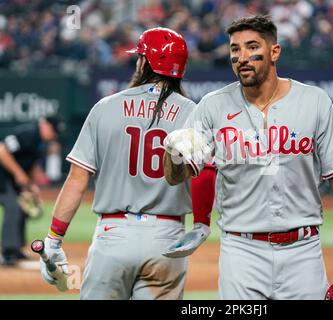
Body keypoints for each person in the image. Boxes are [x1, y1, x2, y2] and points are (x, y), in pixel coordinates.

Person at [163, 15, 333, 300]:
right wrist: (174, 153)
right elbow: (176, 177)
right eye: (235, 49)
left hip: (303, 251)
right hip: (241, 252)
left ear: (274, 51)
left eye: (251, 47)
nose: (241, 57)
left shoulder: (314, 102)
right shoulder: (212, 105)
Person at [38, 27, 215, 300]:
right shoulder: (195, 113)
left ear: (145, 62)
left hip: (114, 234)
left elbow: (77, 179)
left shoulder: (106, 107)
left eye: (140, 57)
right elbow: (207, 175)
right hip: (167, 238)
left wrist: (54, 239)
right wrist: (202, 223)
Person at [0, 116, 62, 266]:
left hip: (9, 179)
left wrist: (31, 186)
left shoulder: (41, 143)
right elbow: (2, 151)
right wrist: (18, 173)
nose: (53, 135)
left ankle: (16, 249)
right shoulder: (28, 134)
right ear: (44, 125)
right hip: (2, 178)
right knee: (13, 206)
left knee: (21, 207)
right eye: (53, 131)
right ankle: (8, 253)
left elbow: (32, 165)